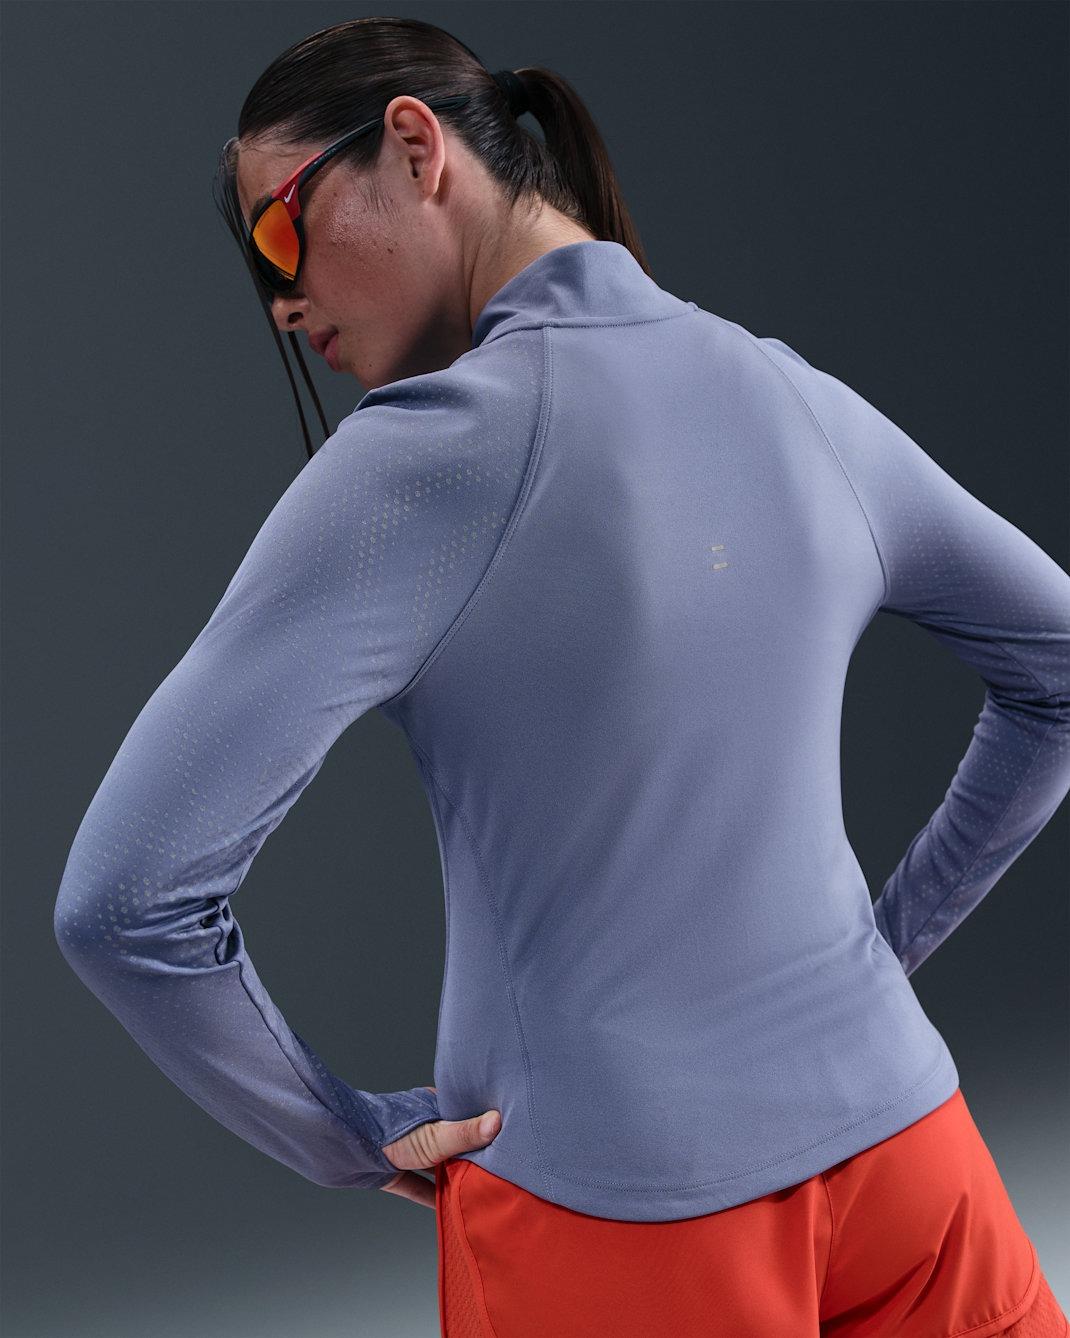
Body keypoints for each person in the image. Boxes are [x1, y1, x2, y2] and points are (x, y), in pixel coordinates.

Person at [52, 15, 1070, 1337]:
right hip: (912, 1166)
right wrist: (878, 951)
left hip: (620, 1220)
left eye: (278, 237)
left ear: (415, 147)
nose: (283, 304)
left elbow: (124, 902)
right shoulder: (792, 396)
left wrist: (341, 1136)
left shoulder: (421, 461)